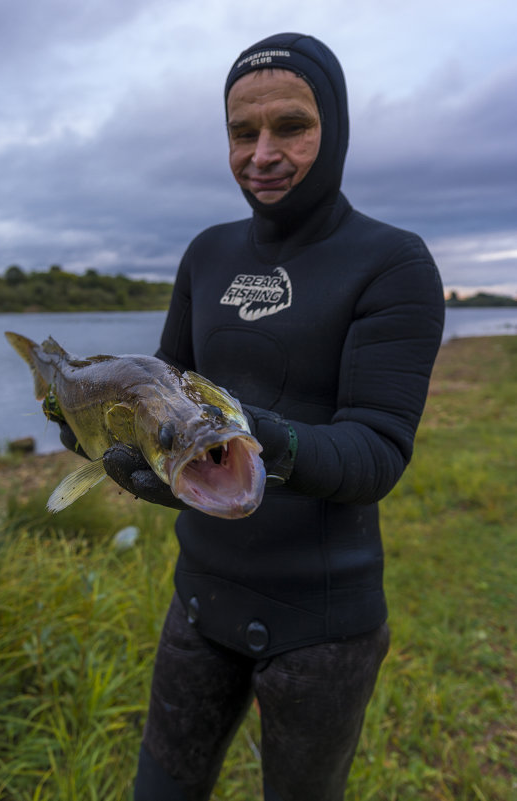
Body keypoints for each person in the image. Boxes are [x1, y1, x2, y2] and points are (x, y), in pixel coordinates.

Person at [58, 32, 446, 801]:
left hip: (323, 625)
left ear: (332, 127)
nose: (262, 153)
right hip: (199, 600)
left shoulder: (393, 262)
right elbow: (156, 387)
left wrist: (249, 435)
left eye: (291, 127)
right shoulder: (206, 253)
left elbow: (376, 451)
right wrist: (133, 453)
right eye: (243, 132)